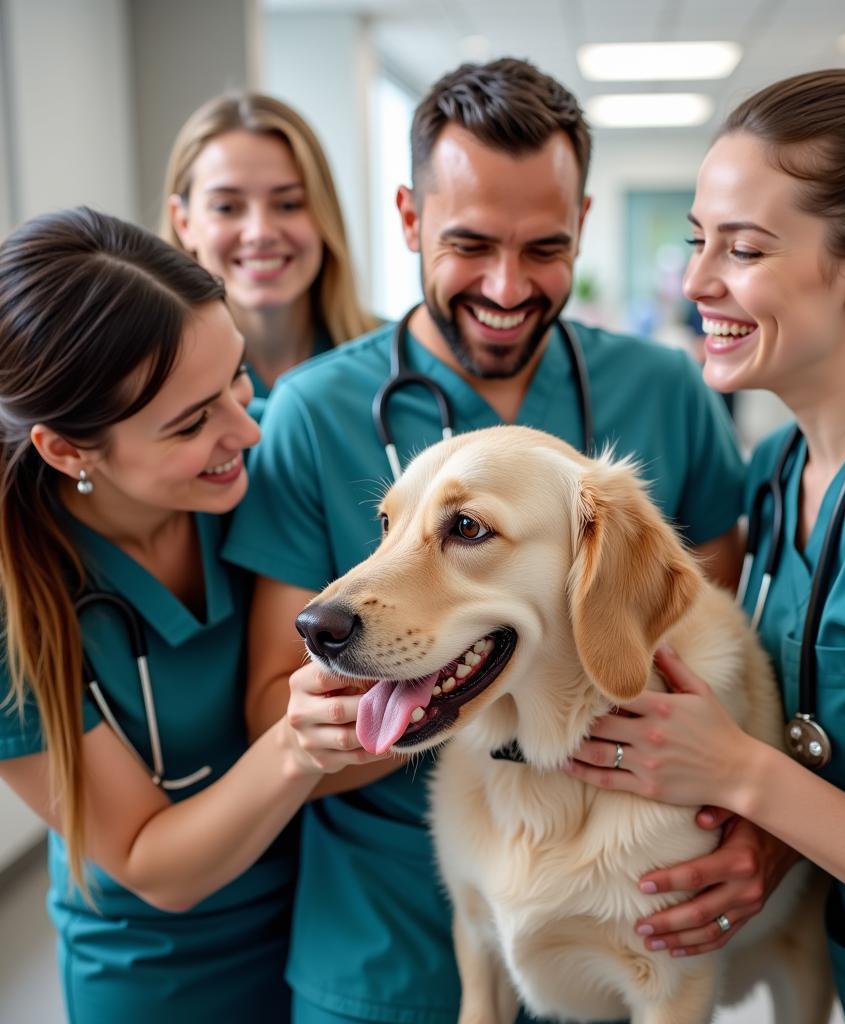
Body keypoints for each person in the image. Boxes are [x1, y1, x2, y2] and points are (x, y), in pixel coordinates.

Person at [222, 58, 752, 1023]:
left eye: (544, 247)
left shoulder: (667, 392)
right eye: (468, 243)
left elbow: (705, 644)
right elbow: (275, 708)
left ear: (585, 223)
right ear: (410, 218)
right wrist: (440, 687)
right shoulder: (312, 411)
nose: (507, 286)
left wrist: (756, 813)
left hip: (625, 910)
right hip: (388, 936)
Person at [566, 69, 845, 1022]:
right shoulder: (779, 471)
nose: (695, 281)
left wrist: (745, 774)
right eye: (699, 240)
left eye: (744, 249)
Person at [0, 208, 377, 1023]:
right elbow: (150, 862)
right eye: (190, 421)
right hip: (160, 975)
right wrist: (294, 743)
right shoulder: (14, 608)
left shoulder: (273, 458)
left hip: (331, 922)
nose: (245, 427)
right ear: (68, 451)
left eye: (237, 377)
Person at [161, 91, 377, 419]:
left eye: (288, 204)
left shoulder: (395, 361)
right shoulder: (147, 383)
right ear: (184, 222)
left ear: (324, 214)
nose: (260, 232)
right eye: (227, 207)